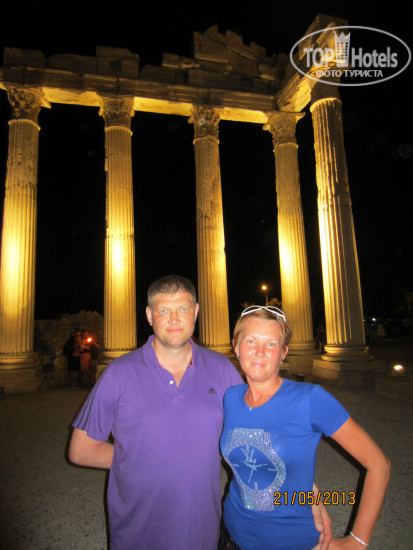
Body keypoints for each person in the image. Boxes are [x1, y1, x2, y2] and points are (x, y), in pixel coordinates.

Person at [68, 277, 331, 550]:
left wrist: (308, 491)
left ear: (195, 312)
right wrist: (146, 458)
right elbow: (81, 451)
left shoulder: (222, 370)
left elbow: (259, 437)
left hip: (201, 532)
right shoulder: (118, 374)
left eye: (183, 309)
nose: (174, 319)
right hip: (136, 533)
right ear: (149, 315)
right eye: (163, 310)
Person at [219, 306, 391, 550]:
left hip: (292, 542)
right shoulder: (230, 397)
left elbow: (379, 465)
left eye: (271, 344)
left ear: (283, 353)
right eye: (251, 341)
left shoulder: (310, 399)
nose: (259, 351)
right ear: (236, 347)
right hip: (230, 536)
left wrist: (357, 541)